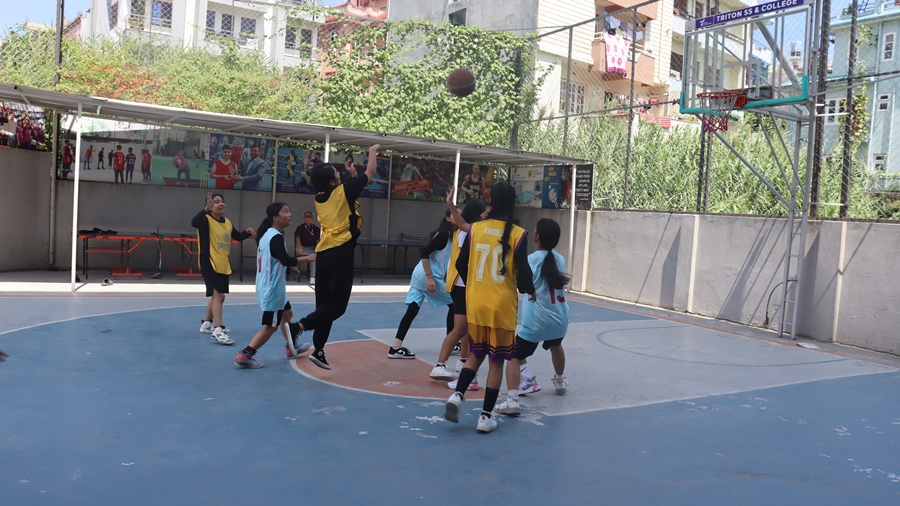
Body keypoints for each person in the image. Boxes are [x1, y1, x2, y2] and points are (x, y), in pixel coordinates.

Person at [443, 182, 535, 433]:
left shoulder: (476, 229)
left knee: (476, 354)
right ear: (512, 204)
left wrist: (474, 284)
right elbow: (525, 276)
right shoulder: (518, 234)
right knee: (496, 362)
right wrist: (528, 289)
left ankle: (457, 395)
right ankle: (485, 417)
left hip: (476, 303)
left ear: (490, 201)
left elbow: (461, 263)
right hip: (501, 307)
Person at [295, 143, 381, 370]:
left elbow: (344, 196)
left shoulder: (320, 197)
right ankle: (300, 326)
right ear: (333, 182)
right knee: (338, 305)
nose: (339, 172)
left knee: (324, 304)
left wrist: (350, 175)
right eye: (336, 172)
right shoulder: (343, 192)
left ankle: (319, 349)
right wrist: (372, 151)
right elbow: (370, 173)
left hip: (323, 252)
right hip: (340, 252)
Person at [494, 218, 571, 417]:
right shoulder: (559, 259)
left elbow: (519, 281)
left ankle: (513, 399)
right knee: (556, 346)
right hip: (560, 318)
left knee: (514, 356)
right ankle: (560, 381)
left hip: (537, 320)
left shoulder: (530, 260)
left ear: (537, 236)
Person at [234, 203, 316, 369]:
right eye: (286, 211)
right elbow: (285, 259)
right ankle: (245, 354)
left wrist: (288, 270)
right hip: (271, 288)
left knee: (287, 314)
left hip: (273, 286)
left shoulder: (268, 235)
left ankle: (291, 347)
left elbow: (273, 260)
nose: (290, 214)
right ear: (276, 218)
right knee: (271, 326)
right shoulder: (275, 237)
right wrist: (309, 258)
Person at [428, 197, 487, 390]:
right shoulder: (466, 233)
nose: (486, 215)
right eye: (484, 213)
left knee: (467, 330)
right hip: (462, 285)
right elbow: (463, 262)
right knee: (461, 329)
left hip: (462, 284)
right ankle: (440, 365)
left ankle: (463, 363)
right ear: (477, 214)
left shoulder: (466, 231)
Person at [388, 209, 456, 360]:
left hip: (418, 275)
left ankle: (395, 348)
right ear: (448, 218)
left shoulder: (448, 235)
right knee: (455, 305)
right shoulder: (444, 235)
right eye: (455, 214)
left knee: (412, 310)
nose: (459, 217)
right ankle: (451, 344)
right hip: (428, 276)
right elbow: (424, 253)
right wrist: (430, 278)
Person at [192, 192, 256, 345]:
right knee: (219, 295)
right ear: (209, 206)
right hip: (209, 261)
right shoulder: (205, 220)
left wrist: (247, 233)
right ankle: (218, 329)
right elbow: (194, 222)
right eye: (216, 202)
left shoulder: (227, 222)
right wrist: (205, 210)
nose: (220, 204)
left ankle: (207, 324)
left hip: (222, 262)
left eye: (222, 201)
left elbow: (237, 236)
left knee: (218, 296)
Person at [293, 210, 319, 286]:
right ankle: (313, 277)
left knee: (315, 256)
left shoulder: (316, 229)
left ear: (313, 218)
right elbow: (298, 238)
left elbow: (318, 241)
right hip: (302, 248)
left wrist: (317, 248)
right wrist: (299, 245)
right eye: (306, 217)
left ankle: (313, 277)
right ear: (303, 218)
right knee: (314, 256)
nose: (308, 218)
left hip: (312, 248)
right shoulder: (300, 228)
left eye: (310, 217)